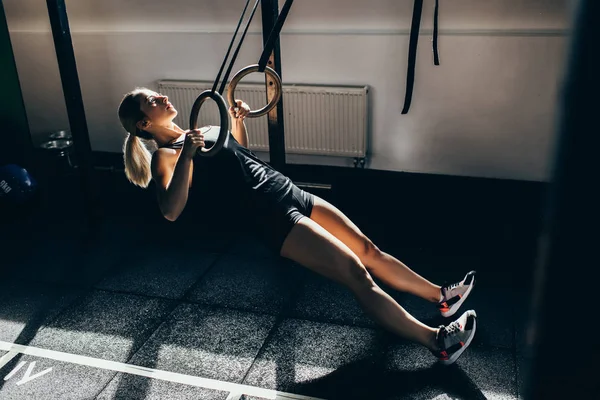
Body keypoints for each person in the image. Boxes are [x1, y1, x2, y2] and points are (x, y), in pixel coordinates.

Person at [118, 87, 478, 365]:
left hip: (290, 192)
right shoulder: (168, 156)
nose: (161, 97)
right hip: (272, 219)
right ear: (143, 124)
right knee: (356, 274)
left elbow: (238, 156)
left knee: (368, 250)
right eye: (152, 100)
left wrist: (237, 120)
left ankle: (440, 297)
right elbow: (170, 210)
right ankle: (438, 341)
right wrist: (189, 155)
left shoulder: (200, 129)